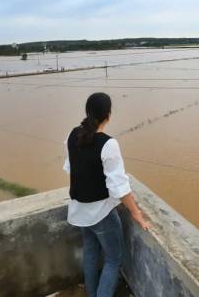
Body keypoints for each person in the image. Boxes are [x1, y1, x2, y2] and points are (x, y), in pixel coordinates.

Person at [63, 92, 150, 297]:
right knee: (113, 260)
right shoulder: (108, 144)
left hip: (80, 211)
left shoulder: (72, 135)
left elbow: (72, 168)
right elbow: (119, 187)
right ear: (108, 115)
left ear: (88, 112)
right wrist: (137, 214)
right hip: (101, 214)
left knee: (91, 253)